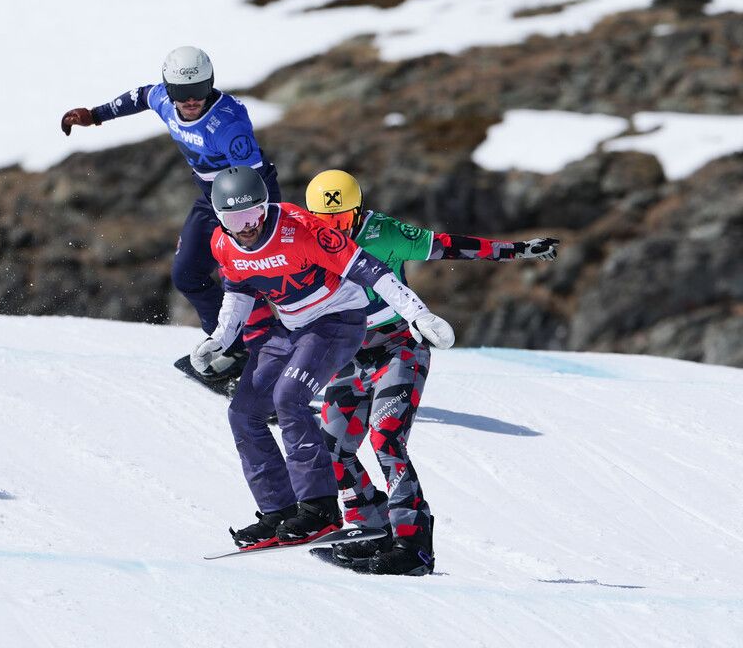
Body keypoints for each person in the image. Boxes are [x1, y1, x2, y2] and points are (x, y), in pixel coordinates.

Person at [305, 169, 559, 575]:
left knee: (386, 440)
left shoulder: (384, 233)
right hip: (349, 355)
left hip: (399, 348)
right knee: (329, 449)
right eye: (324, 222)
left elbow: (447, 246)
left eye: (341, 220)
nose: (333, 230)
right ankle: (373, 527)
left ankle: (413, 545)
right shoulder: (303, 236)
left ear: (357, 211)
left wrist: (515, 250)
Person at [190, 166, 455, 550]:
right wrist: (221, 336)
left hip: (338, 321)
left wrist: (418, 313)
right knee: (243, 412)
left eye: (252, 215)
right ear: (219, 219)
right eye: (234, 219)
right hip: (293, 326)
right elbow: (238, 290)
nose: (246, 227)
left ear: (266, 207)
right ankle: (277, 512)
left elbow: (370, 269)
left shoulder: (300, 228)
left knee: (288, 397)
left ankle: (319, 509)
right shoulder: (223, 242)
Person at [61, 45, 278, 383]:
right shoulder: (163, 100)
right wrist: (95, 114)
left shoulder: (228, 125)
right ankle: (234, 349)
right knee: (187, 275)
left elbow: (253, 181)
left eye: (199, 91)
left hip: (250, 202)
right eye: (182, 93)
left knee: (255, 278)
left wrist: (249, 229)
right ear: (170, 89)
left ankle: (273, 357)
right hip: (212, 200)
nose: (191, 100)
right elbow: (140, 96)